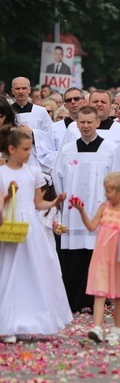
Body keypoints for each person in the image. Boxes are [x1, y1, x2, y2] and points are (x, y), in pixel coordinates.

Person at [0, 126, 71, 344]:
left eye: (30, 149)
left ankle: (28, 321)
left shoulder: (33, 172)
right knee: (10, 273)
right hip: (11, 224)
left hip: (30, 225)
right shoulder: (2, 173)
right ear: (11, 149)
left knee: (33, 272)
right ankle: (8, 323)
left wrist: (55, 202)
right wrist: (8, 198)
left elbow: (38, 203)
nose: (28, 153)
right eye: (24, 149)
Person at [52, 106, 120, 313]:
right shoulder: (67, 150)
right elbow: (58, 176)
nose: (85, 126)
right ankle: (73, 300)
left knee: (96, 256)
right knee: (74, 257)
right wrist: (63, 202)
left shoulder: (110, 149)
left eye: (89, 122)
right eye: (82, 122)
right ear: (77, 124)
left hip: (99, 210)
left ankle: (95, 300)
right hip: (73, 212)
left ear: (97, 123)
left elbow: (117, 178)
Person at [70, 172, 120, 345]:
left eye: (109, 191)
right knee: (100, 290)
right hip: (102, 256)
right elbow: (91, 227)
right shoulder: (104, 207)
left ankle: (116, 329)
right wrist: (81, 210)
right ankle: (97, 327)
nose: (106, 194)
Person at [59, 90, 120, 175]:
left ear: (111, 106)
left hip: (108, 183)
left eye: (103, 102)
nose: (99, 104)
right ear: (88, 104)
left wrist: (109, 158)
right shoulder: (73, 128)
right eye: (95, 101)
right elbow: (61, 158)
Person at [38, 87, 87, 173]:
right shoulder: (55, 128)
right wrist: (65, 157)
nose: (73, 102)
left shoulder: (93, 126)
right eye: (69, 100)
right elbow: (44, 155)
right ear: (65, 105)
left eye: (76, 99)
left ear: (84, 101)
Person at [10, 77, 53, 168]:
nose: (21, 91)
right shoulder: (7, 112)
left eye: (24, 88)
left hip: (34, 159)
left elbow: (51, 136)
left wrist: (33, 134)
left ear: (29, 90)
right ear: (12, 91)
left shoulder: (41, 112)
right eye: (17, 88)